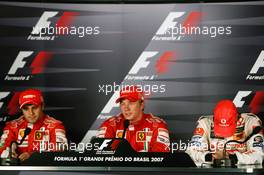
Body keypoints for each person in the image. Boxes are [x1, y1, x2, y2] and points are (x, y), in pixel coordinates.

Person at [186, 100, 264, 166]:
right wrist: (211, 157)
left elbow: (258, 155)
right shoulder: (205, 123)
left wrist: (231, 158)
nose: (224, 131)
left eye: (228, 126)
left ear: (236, 117)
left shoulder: (251, 122)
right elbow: (191, 152)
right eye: (220, 127)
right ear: (214, 117)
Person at [0, 89, 68, 162]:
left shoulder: (55, 126)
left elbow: (60, 150)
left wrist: (32, 156)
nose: (31, 113)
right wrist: (9, 153)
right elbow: (2, 147)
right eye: (26, 109)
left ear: (42, 106)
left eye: (34, 107)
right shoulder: (12, 126)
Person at [97, 86, 170, 152]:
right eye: (123, 103)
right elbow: (99, 155)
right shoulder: (110, 125)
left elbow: (161, 157)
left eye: (131, 103)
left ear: (141, 105)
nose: (126, 108)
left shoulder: (157, 125)